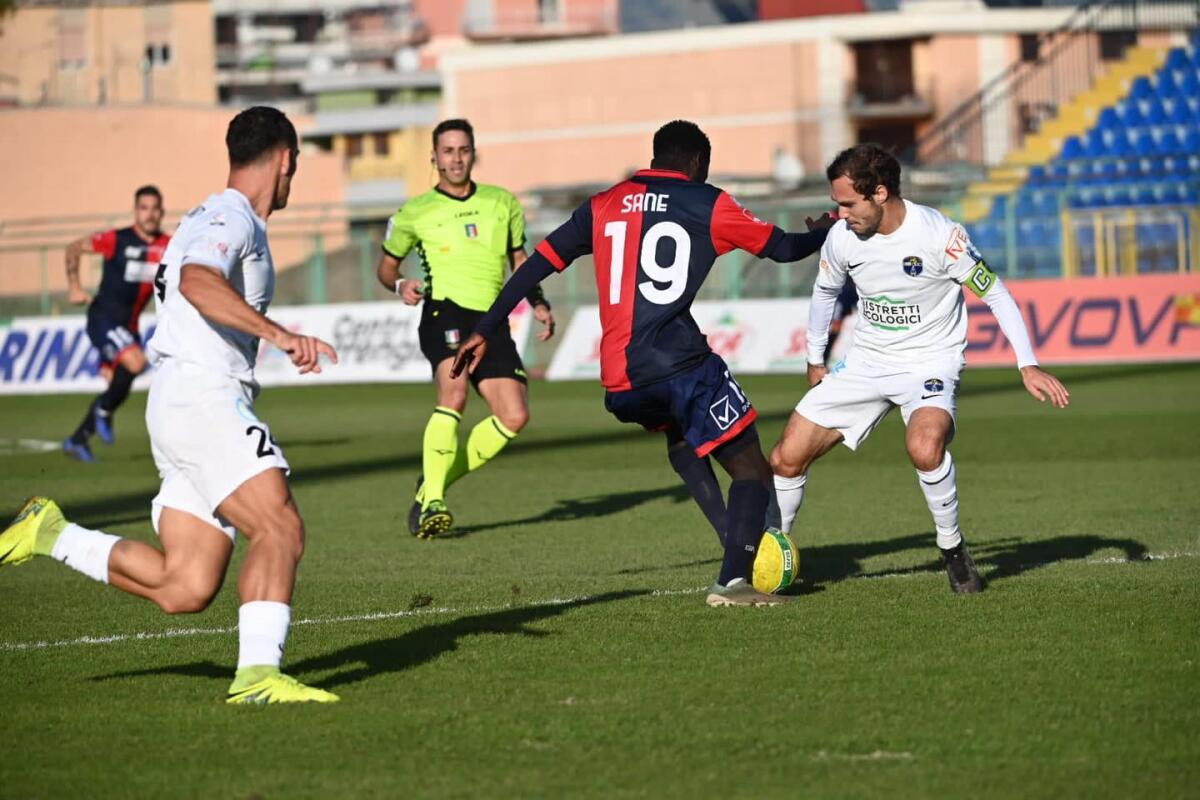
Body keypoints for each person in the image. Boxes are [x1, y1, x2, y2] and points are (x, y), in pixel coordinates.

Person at [0, 106, 341, 704]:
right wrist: (280, 335)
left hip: (179, 402)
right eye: (295, 166)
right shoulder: (228, 215)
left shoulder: (210, 217)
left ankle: (53, 534)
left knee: (184, 584)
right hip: (204, 397)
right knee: (279, 526)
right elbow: (197, 282)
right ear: (285, 158)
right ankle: (258, 677)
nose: (294, 178)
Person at [451, 120, 833, 606]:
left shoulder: (602, 204)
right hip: (681, 363)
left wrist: (485, 329)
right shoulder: (707, 201)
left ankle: (729, 540)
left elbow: (536, 264)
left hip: (620, 381)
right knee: (752, 469)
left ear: (655, 158)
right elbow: (782, 248)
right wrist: (822, 232)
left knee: (680, 436)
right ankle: (735, 578)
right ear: (697, 162)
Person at [768, 144, 1071, 594]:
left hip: (930, 361)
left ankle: (953, 550)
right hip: (867, 362)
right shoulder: (842, 236)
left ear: (880, 193)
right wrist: (815, 360)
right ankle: (777, 551)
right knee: (785, 458)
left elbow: (996, 294)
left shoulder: (939, 236)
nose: (839, 213)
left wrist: (1027, 363)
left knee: (924, 447)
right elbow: (824, 294)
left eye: (848, 203)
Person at [376, 118, 554, 539]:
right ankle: (435, 502)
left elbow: (520, 260)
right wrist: (401, 284)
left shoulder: (502, 203)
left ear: (473, 153)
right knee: (453, 396)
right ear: (434, 158)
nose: (456, 159)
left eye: (463, 150)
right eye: (448, 151)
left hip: (491, 320)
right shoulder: (414, 212)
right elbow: (385, 268)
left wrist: (539, 300)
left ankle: (432, 486)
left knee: (514, 415)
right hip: (445, 313)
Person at [62, 186, 170, 462]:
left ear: (161, 211)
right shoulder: (116, 239)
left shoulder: (169, 245)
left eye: (154, 208)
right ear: (136, 211)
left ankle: (78, 439)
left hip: (129, 326)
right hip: (103, 318)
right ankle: (103, 411)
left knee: (118, 383)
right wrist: (74, 287)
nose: (149, 214)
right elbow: (73, 248)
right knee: (135, 363)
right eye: (144, 207)